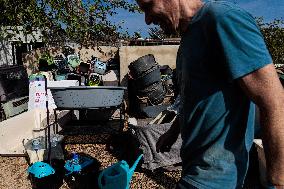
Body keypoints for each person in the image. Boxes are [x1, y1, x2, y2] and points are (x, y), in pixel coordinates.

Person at [136, 0, 284, 188]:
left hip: (217, 176)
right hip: (195, 168)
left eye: (148, 6)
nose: (147, 20)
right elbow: (194, 99)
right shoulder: (187, 41)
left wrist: (278, 181)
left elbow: (275, 100)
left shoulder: (222, 19)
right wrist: (173, 132)